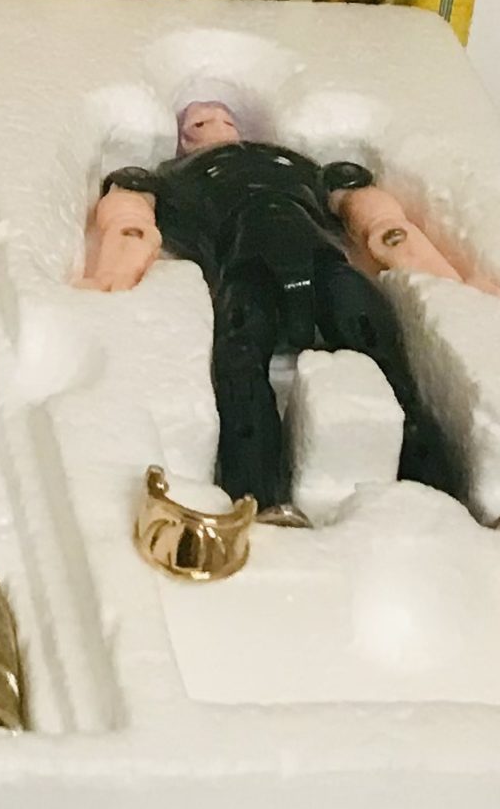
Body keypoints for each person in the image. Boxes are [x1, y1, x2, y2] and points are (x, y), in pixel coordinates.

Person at [79, 99, 476, 519]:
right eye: (199, 121)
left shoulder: (292, 164)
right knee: (240, 371)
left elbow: (370, 210)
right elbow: (130, 220)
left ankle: (443, 496)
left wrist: (401, 244)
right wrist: (117, 267)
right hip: (245, 269)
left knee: (385, 356)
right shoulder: (173, 179)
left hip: (324, 262)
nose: (215, 125)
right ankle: (257, 503)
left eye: (224, 117)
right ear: (182, 138)